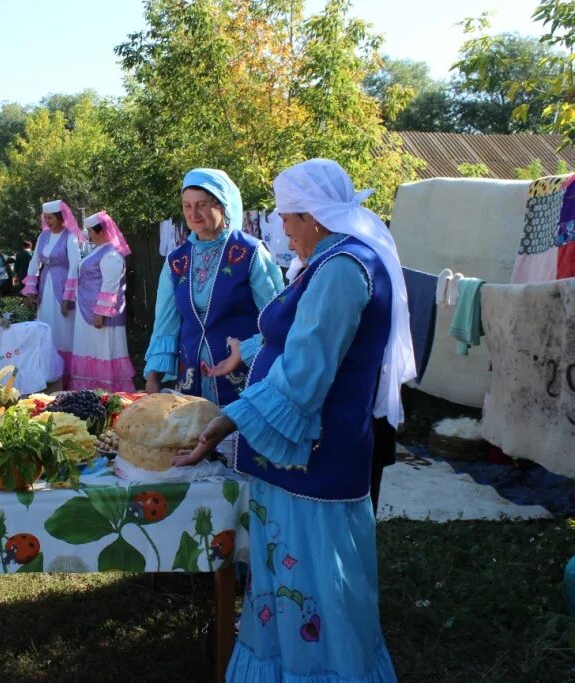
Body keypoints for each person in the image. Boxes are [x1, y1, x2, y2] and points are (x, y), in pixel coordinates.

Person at [176, 159, 414, 682]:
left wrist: (226, 421)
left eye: (288, 216)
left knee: (318, 575)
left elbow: (304, 377)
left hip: (313, 457)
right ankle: (296, 661)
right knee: (295, 576)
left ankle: (327, 670)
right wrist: (252, 349)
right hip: (305, 456)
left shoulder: (342, 271)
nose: (281, 226)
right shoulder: (334, 261)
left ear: (314, 215)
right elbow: (301, 335)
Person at [143, 168, 284, 408]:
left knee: (235, 442)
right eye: (187, 206)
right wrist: (153, 377)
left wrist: (247, 352)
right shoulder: (176, 261)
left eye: (202, 205)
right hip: (190, 382)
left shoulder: (249, 253)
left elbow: (277, 319)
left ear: (222, 205)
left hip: (242, 380)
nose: (193, 214)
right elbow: (165, 324)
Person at [69, 211, 136, 392]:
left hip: (101, 315)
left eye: (90, 230)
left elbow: (111, 284)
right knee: (91, 349)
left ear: (100, 231)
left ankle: (108, 390)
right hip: (87, 309)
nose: (88, 234)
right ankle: (90, 390)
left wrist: (100, 312)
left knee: (103, 349)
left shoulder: (111, 254)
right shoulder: (99, 251)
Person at [21, 199, 85, 387]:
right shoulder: (43, 237)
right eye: (45, 217)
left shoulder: (70, 236)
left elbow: (74, 265)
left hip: (63, 285)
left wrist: (68, 297)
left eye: (50, 218)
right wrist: (31, 288)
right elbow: (34, 262)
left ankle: (69, 375)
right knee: (46, 325)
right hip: (46, 286)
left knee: (64, 329)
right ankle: (50, 371)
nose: (47, 221)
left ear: (59, 217)